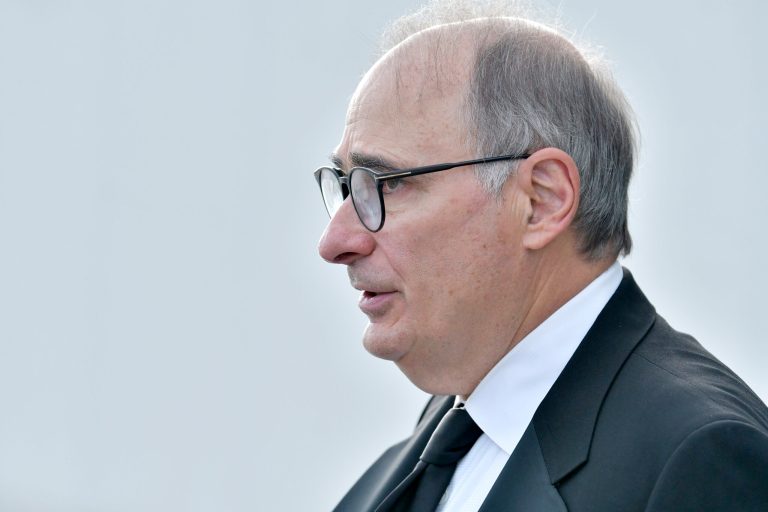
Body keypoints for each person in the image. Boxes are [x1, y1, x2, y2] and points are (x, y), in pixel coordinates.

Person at [313, 1, 768, 510]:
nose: (335, 242)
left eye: (387, 183)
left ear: (541, 201)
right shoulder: (444, 444)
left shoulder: (698, 459)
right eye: (345, 186)